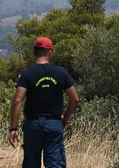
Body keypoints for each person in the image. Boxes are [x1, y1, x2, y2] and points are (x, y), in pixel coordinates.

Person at [9, 37, 79, 168]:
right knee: (55, 164)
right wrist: (66, 116)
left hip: (33, 124)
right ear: (50, 52)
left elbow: (17, 101)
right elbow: (75, 99)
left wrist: (13, 128)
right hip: (54, 123)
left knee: (31, 163)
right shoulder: (61, 72)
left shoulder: (26, 73)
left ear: (34, 52)